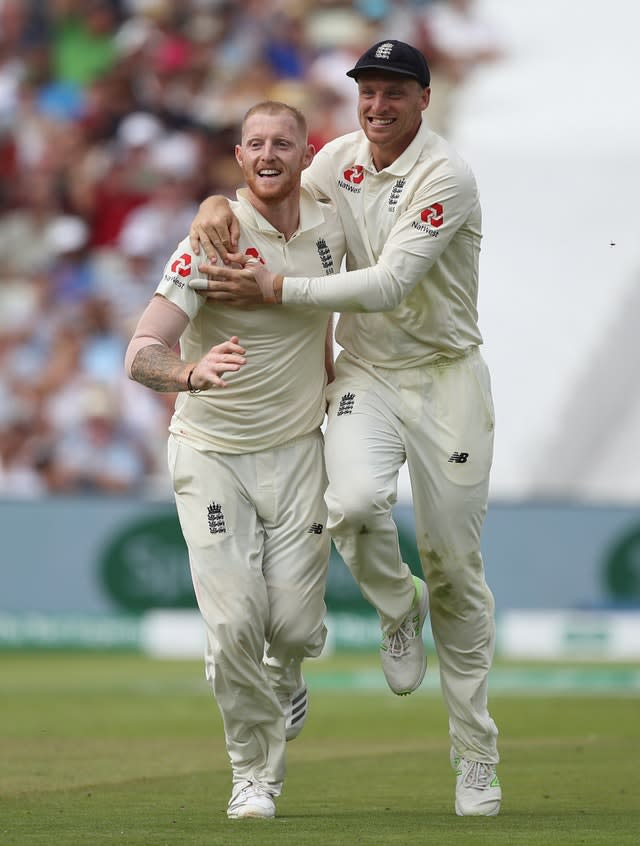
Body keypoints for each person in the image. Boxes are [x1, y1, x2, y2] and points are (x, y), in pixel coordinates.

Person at [188, 39, 501, 817]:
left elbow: (394, 280)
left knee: (456, 566)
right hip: (367, 374)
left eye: (396, 93)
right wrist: (215, 203)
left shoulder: (445, 176)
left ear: (424, 100)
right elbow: (271, 178)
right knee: (356, 503)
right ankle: (399, 608)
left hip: (448, 377)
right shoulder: (336, 159)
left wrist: (281, 286)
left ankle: (476, 756)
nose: (378, 105)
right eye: (368, 91)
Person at [125, 101, 346, 819]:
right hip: (213, 452)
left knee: (292, 630)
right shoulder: (211, 238)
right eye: (255, 143)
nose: (269, 153)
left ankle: (285, 677)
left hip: (299, 453)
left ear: (305, 152)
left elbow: (324, 320)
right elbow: (141, 352)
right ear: (240, 155)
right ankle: (253, 775)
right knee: (231, 627)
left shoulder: (330, 225)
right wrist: (190, 373)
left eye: (283, 142)